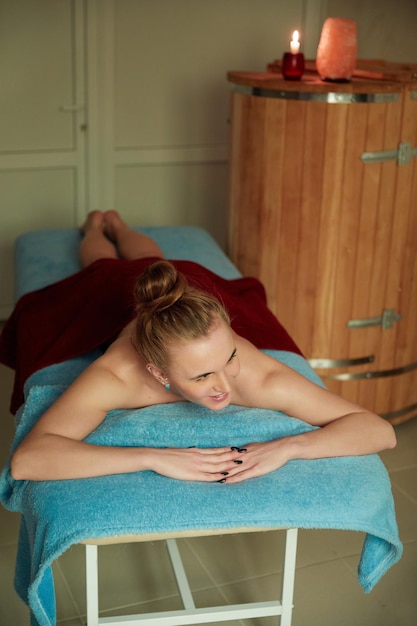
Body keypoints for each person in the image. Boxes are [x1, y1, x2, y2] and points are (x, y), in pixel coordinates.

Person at [7, 210, 396, 484]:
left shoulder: (255, 375)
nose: (225, 386)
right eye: (202, 375)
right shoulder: (117, 376)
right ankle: (95, 226)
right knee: (102, 265)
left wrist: (291, 447)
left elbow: (377, 430)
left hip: (177, 288)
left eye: (228, 360)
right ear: (159, 373)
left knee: (154, 260)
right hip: (111, 296)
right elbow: (29, 460)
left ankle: (119, 223)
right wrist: (152, 457)